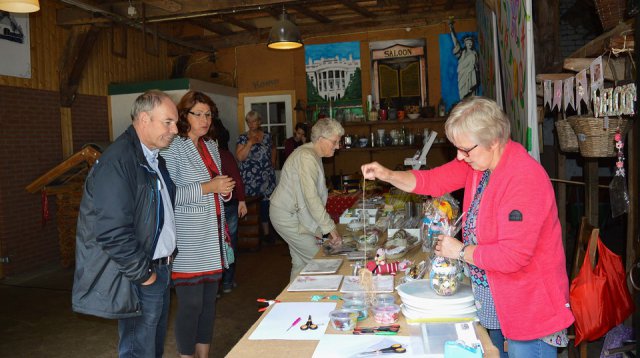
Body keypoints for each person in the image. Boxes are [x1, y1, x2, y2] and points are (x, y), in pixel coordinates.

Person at [361, 97, 574, 357]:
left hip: (527, 307)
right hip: (495, 300)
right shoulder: (479, 166)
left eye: (465, 149)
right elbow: (432, 181)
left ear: (493, 141)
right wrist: (387, 175)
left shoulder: (523, 178)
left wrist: (461, 251)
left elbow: (512, 256)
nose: (460, 156)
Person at [72, 90, 179, 358]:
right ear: (144, 119)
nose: (175, 129)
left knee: (151, 347)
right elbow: (112, 231)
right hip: (140, 275)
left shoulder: (151, 158)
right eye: (168, 122)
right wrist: (145, 276)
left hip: (159, 269)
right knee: (137, 349)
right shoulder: (118, 161)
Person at [161, 91, 235, 358]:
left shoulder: (211, 145)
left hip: (212, 236)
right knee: (190, 306)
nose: (204, 120)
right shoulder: (173, 147)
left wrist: (224, 190)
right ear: (184, 116)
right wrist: (209, 187)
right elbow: (169, 195)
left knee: (208, 305)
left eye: (208, 114)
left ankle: (203, 354)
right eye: (198, 114)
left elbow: (216, 186)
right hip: (188, 239)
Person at [270, 118, 344, 281]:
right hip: (286, 216)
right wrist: (329, 228)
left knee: (300, 264)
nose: (337, 146)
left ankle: (292, 303)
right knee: (320, 260)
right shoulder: (307, 157)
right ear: (321, 139)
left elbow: (311, 197)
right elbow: (311, 198)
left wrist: (324, 229)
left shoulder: (312, 154)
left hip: (292, 214)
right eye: (335, 142)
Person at [211, 117, 248, 294]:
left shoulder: (203, 157)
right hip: (228, 204)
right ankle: (227, 282)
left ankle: (216, 286)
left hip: (212, 205)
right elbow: (236, 179)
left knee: (215, 245)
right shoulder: (224, 155)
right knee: (229, 243)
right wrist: (241, 200)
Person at [236, 111, 277, 244]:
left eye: (254, 121)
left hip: (266, 177)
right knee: (253, 206)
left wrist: (272, 163)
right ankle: (254, 235)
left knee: (267, 205)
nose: (251, 124)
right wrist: (249, 143)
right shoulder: (243, 138)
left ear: (259, 122)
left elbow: (273, 149)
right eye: (248, 122)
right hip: (250, 178)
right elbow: (240, 157)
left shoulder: (267, 137)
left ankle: (267, 233)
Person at [449, 20, 479, 99]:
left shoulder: (474, 53)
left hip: (471, 75)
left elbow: (477, 65)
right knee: (463, 96)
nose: (469, 44)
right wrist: (452, 30)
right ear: (465, 44)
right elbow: (455, 42)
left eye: (471, 43)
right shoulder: (462, 53)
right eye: (467, 43)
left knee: (471, 95)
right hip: (462, 75)